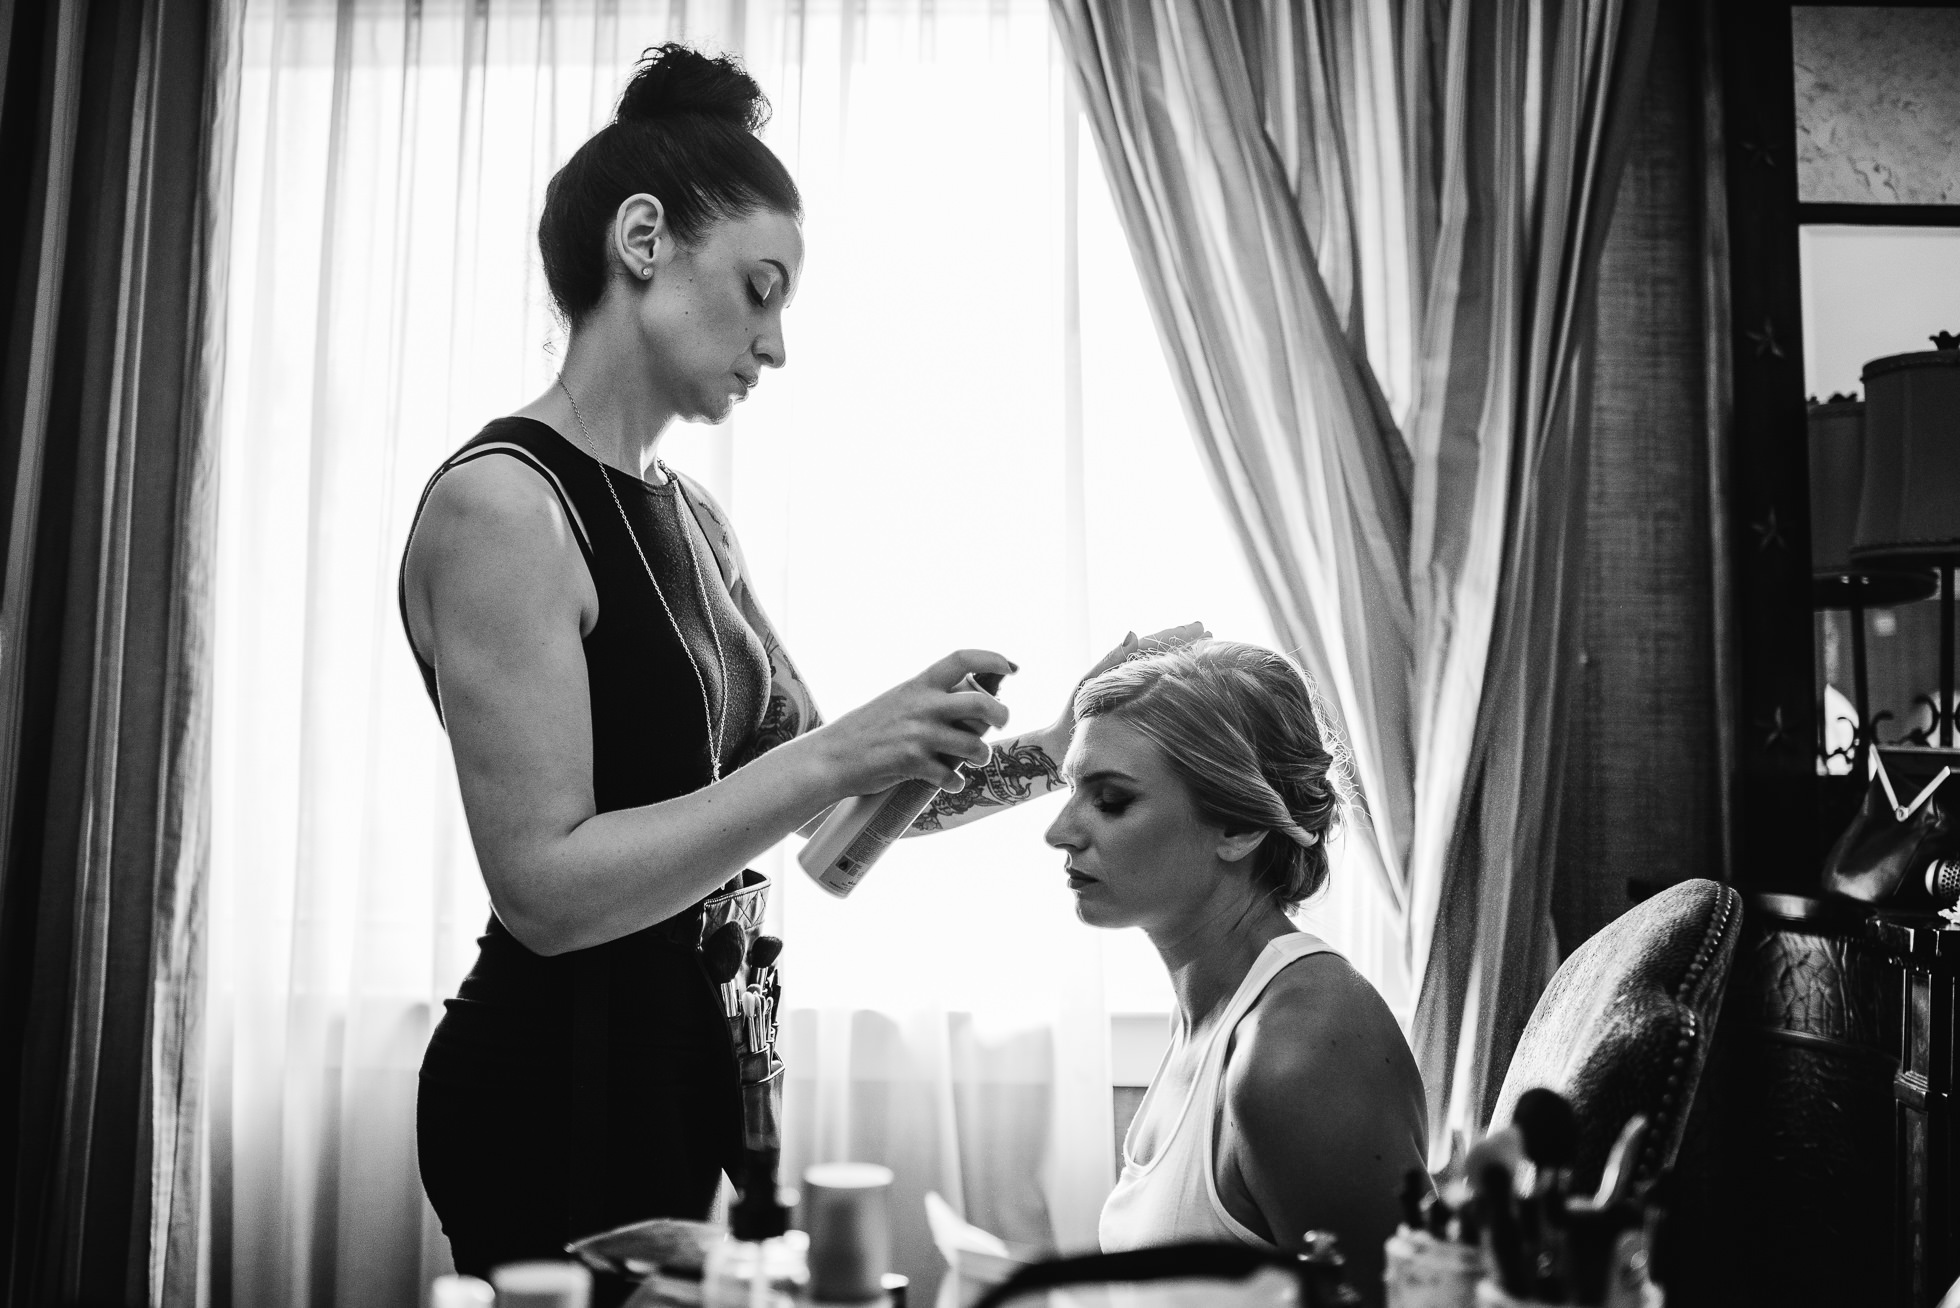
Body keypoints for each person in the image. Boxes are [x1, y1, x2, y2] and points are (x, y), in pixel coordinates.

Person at [398, 40, 1188, 1275]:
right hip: (554, 1087)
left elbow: (835, 804)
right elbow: (544, 896)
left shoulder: (692, 518)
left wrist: (1065, 741)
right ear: (643, 239)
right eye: (760, 291)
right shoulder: (504, 507)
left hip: (684, 1073)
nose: (775, 347)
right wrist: (833, 753)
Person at [1045, 640, 1426, 1304]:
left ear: (1240, 827)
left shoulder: (1302, 1050)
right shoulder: (1210, 1010)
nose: (1058, 831)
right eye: (1070, 789)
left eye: (1108, 800)